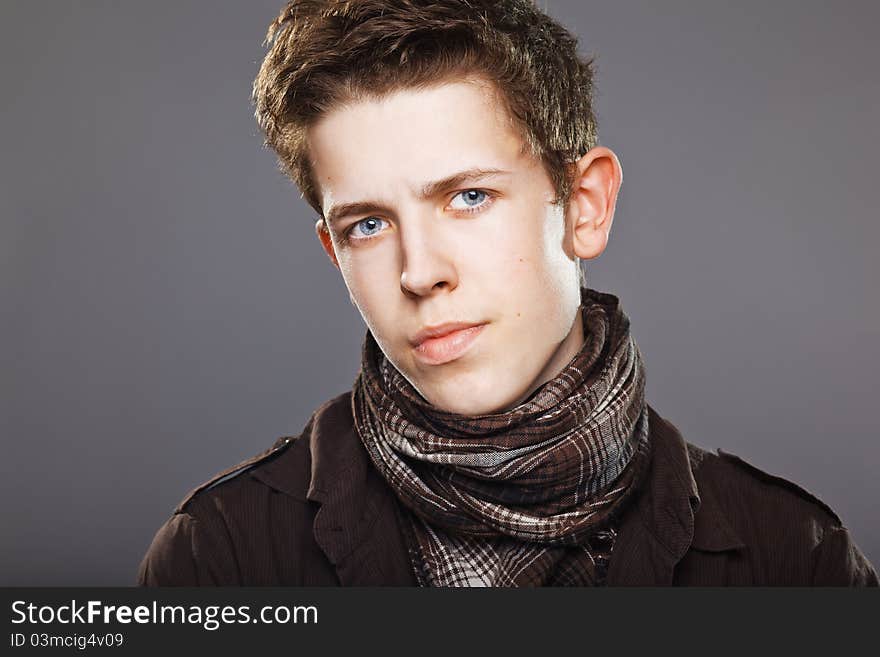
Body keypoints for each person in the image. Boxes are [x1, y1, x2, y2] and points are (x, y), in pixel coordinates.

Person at [137, 0, 877, 586]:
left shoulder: (792, 558)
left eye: (468, 198)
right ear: (335, 254)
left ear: (584, 204)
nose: (419, 271)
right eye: (368, 223)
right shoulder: (220, 559)